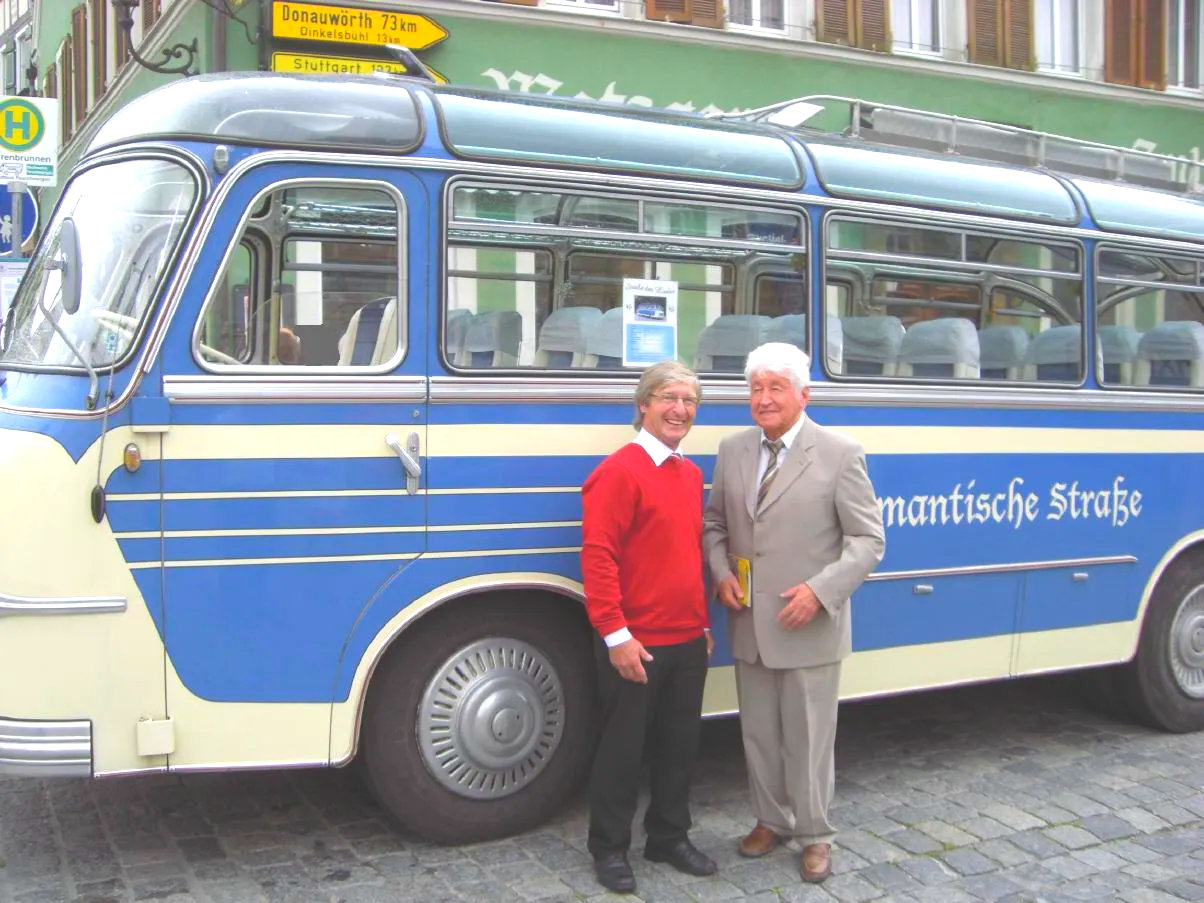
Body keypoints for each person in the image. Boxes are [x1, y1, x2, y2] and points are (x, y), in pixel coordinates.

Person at [702, 342, 884, 884]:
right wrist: (721, 573)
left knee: (808, 741)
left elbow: (868, 541)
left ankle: (815, 836)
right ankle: (770, 820)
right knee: (758, 735)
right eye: (756, 388)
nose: (763, 398)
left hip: (809, 624)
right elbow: (715, 525)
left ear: (804, 394)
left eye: (776, 387)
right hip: (749, 622)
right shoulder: (733, 449)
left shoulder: (839, 452)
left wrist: (820, 591)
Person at [581, 360, 717, 895]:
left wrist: (702, 623)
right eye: (668, 398)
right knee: (621, 752)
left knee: (679, 748)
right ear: (644, 405)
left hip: (686, 637)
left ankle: (667, 837)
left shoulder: (689, 473)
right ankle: (608, 849)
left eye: (689, 401)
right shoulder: (619, 471)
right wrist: (616, 635)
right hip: (635, 643)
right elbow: (598, 558)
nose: (679, 410)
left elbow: (687, 556)